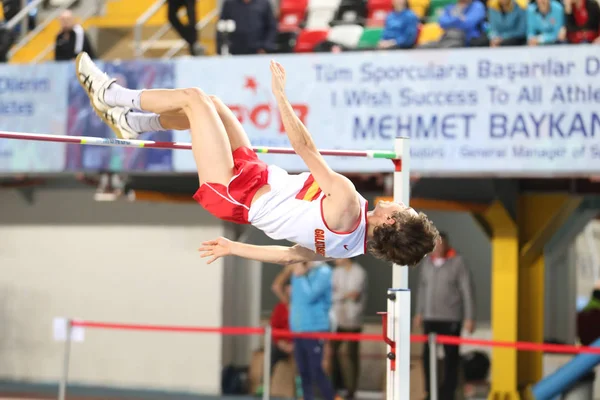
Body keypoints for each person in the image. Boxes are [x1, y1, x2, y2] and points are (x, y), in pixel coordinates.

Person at [74, 52, 439, 266]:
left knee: (195, 99)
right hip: (253, 176)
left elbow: (305, 149)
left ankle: (111, 92)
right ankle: (131, 122)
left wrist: (280, 95)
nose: (402, 203)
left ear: (391, 221)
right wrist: (234, 248)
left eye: (405, 210)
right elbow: (291, 256)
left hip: (235, 190)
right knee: (212, 107)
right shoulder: (349, 248)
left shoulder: (346, 199)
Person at [414, 232, 475, 400]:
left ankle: (448, 393)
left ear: (447, 244)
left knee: (451, 357)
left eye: (442, 243)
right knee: (427, 356)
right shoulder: (426, 263)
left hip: (450, 318)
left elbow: (467, 291)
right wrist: (419, 312)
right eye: (436, 244)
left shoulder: (458, 262)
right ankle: (430, 391)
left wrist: (469, 317)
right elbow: (422, 289)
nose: (438, 247)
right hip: (430, 317)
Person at [289, 261, 336, 400]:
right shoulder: (299, 271)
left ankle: (331, 397)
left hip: (315, 328)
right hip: (298, 329)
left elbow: (309, 295)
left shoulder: (324, 271)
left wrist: (301, 276)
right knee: (303, 371)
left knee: (317, 370)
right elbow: (296, 300)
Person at [330, 258, 367, 400]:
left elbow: (354, 294)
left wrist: (339, 295)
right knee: (333, 353)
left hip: (353, 321)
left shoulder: (359, 272)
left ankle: (351, 390)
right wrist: (343, 296)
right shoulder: (335, 272)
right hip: (337, 319)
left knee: (351, 355)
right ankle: (335, 386)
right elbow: (333, 294)